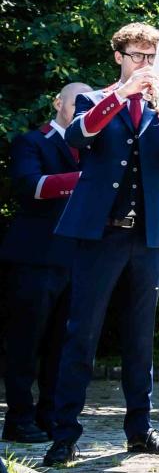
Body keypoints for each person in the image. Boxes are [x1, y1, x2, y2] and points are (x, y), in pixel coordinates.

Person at [42, 24, 159, 468]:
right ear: (119, 57)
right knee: (82, 333)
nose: (145, 64)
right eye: (136, 56)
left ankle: (139, 430)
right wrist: (121, 94)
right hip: (101, 232)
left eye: (150, 57)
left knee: (140, 336)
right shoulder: (94, 99)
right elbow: (77, 137)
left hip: (148, 235)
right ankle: (64, 434)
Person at [3, 82, 86, 443]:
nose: (82, 109)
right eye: (77, 102)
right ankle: (18, 418)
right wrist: (86, 180)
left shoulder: (92, 146)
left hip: (76, 259)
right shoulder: (32, 141)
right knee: (25, 343)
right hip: (35, 257)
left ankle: (49, 416)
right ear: (57, 103)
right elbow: (30, 186)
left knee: (61, 346)